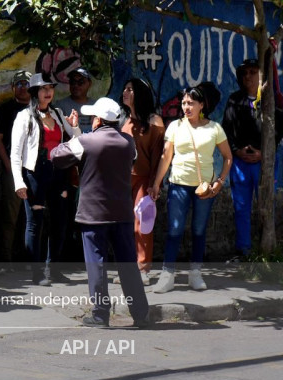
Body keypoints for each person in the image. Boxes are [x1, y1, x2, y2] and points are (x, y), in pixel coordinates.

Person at [51, 97, 150, 328]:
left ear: (98, 120)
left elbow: (56, 156)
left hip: (93, 215)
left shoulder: (86, 141)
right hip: (122, 213)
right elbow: (129, 160)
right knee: (128, 265)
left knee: (96, 264)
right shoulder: (128, 143)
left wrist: (73, 134)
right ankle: (140, 314)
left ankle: (100, 314)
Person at [149, 84, 232, 293]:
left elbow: (228, 157)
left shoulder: (214, 128)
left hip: (204, 188)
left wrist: (220, 181)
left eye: (191, 103)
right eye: (184, 103)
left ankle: (195, 274)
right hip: (178, 185)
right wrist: (157, 183)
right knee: (174, 230)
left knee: (199, 230)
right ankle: (167, 275)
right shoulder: (175, 127)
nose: (186, 107)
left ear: (201, 105)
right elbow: (166, 157)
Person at [11, 72, 81, 285]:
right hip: (35, 174)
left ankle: (54, 269)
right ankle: (37, 272)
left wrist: (74, 125)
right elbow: (16, 152)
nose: (48, 92)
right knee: (35, 223)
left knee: (60, 221)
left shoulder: (58, 114)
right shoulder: (24, 116)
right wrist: (18, 181)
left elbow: (77, 141)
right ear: (35, 92)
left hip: (58, 173)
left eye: (50, 88)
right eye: (43, 88)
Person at [222, 59, 283, 261]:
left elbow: (278, 131)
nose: (247, 76)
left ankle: (267, 253)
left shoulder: (271, 101)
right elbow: (226, 129)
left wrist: (263, 153)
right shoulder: (234, 100)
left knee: (266, 207)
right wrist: (236, 150)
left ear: (262, 75)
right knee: (241, 208)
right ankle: (244, 252)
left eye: (252, 72)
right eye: (244, 73)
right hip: (240, 163)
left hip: (264, 163)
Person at [118, 78, 165, 285]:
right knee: (123, 226)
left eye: (130, 89)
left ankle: (142, 268)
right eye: (125, 88)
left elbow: (158, 157)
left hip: (144, 179)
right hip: (121, 180)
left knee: (142, 224)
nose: (125, 92)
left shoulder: (155, 122)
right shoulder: (122, 120)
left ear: (141, 94)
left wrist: (155, 184)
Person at [0, 69, 32, 265]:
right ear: (13, 87)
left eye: (27, 84)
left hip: (34, 169)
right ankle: (5, 260)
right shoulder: (5, 110)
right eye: (19, 84)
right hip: (12, 169)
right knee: (10, 215)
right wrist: (9, 166)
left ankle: (27, 257)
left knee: (31, 216)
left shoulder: (39, 109)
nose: (23, 87)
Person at [56, 67, 96, 133]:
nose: (76, 85)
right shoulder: (60, 107)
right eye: (73, 82)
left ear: (89, 84)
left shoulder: (96, 106)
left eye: (81, 82)